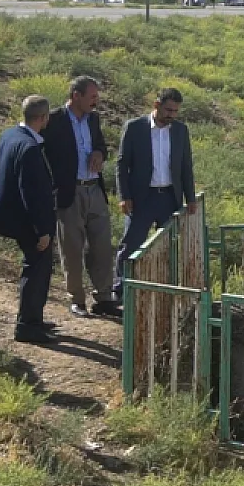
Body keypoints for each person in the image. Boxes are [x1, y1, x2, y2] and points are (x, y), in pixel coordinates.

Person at [42, 76, 120, 318]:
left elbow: (101, 145)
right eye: (92, 96)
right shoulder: (53, 120)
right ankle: (77, 299)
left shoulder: (93, 119)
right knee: (72, 249)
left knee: (102, 246)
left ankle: (104, 298)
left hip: (94, 189)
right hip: (69, 193)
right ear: (76, 96)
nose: (96, 101)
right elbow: (41, 153)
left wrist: (99, 153)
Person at [0, 95, 59, 344]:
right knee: (37, 270)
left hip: (13, 216)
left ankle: (33, 318)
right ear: (43, 118)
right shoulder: (29, 148)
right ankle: (27, 326)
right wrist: (42, 230)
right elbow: (32, 193)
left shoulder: (10, 136)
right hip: (28, 221)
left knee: (37, 268)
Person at [114, 88, 197, 298]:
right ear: (156, 105)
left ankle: (161, 291)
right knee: (131, 244)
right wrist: (124, 196)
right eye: (168, 109)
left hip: (169, 197)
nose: (172, 114)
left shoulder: (180, 130)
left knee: (167, 248)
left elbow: (186, 166)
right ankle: (121, 289)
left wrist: (191, 198)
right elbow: (122, 165)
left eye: (176, 111)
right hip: (142, 198)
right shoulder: (135, 128)